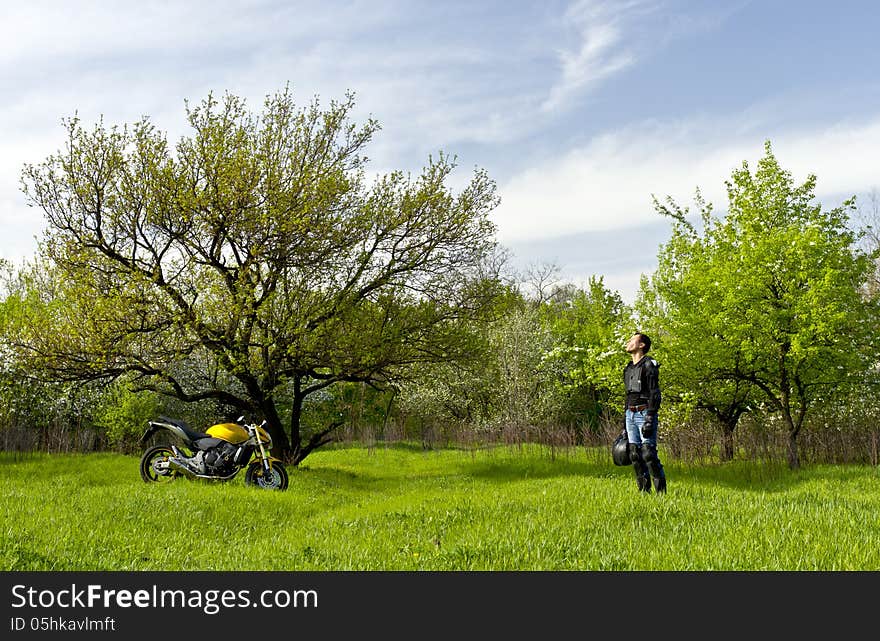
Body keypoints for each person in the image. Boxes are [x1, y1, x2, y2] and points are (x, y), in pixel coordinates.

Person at [623, 332, 666, 493]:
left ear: (641, 345)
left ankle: (661, 494)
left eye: (632, 340)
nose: (628, 342)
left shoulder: (649, 364)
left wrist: (650, 417)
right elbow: (627, 396)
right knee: (634, 454)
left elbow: (655, 393)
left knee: (648, 454)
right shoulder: (628, 368)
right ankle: (644, 493)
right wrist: (624, 423)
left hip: (644, 413)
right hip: (630, 414)